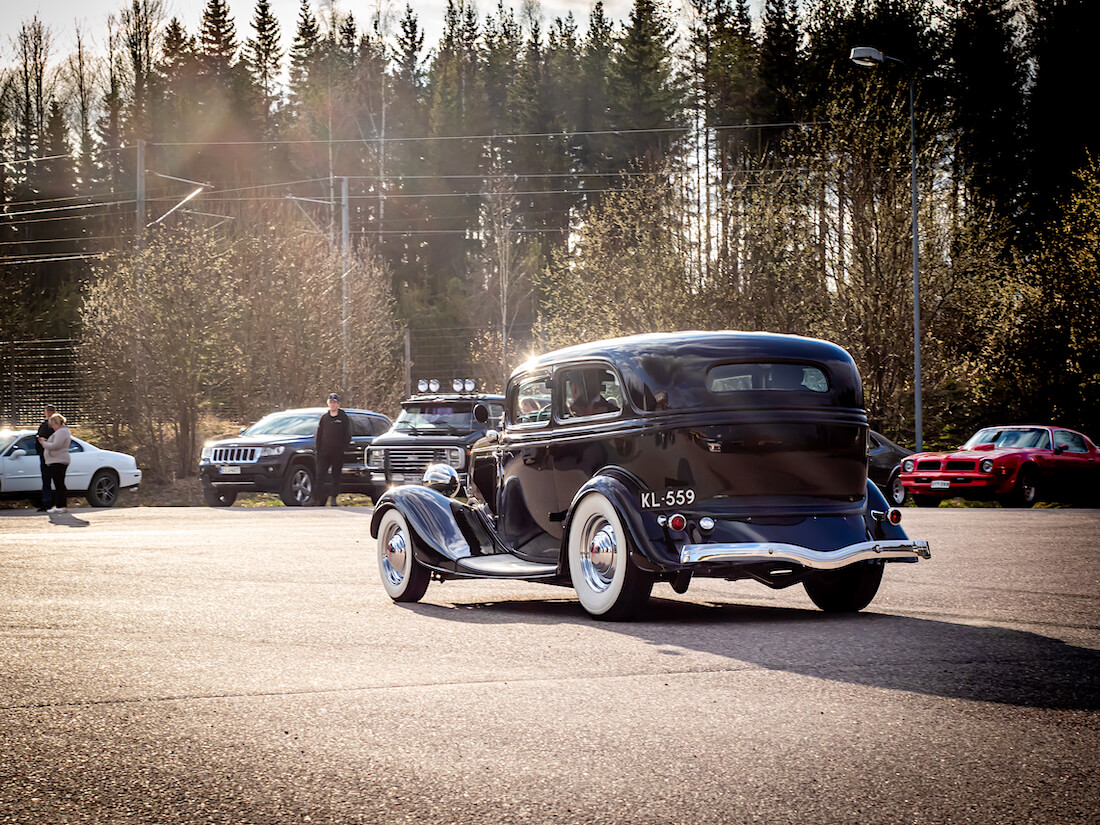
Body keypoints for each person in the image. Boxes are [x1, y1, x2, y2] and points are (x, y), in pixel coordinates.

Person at [314, 392, 351, 506]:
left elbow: (347, 434)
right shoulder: (324, 418)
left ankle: (334, 498)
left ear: (338, 404)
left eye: (334, 402)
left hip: (338, 452)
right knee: (320, 475)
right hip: (324, 452)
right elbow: (319, 434)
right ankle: (315, 499)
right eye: (331, 402)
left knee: (336, 476)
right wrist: (318, 450)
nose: (333, 404)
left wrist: (344, 448)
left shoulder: (343, 417)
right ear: (328, 404)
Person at [38, 412, 71, 514]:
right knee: (58, 483)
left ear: (57, 423)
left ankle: (62, 505)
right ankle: (60, 505)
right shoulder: (61, 432)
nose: (52, 427)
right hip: (56, 460)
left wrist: (44, 443)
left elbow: (56, 445)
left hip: (59, 460)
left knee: (59, 483)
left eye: (53, 425)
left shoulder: (61, 432)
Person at [34, 404, 57, 512]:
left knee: (56, 480)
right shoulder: (44, 425)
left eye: (51, 412)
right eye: (48, 412)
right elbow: (38, 439)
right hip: (44, 456)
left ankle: (57, 503)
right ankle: (47, 503)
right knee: (46, 481)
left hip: (54, 456)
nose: (49, 414)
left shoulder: (58, 425)